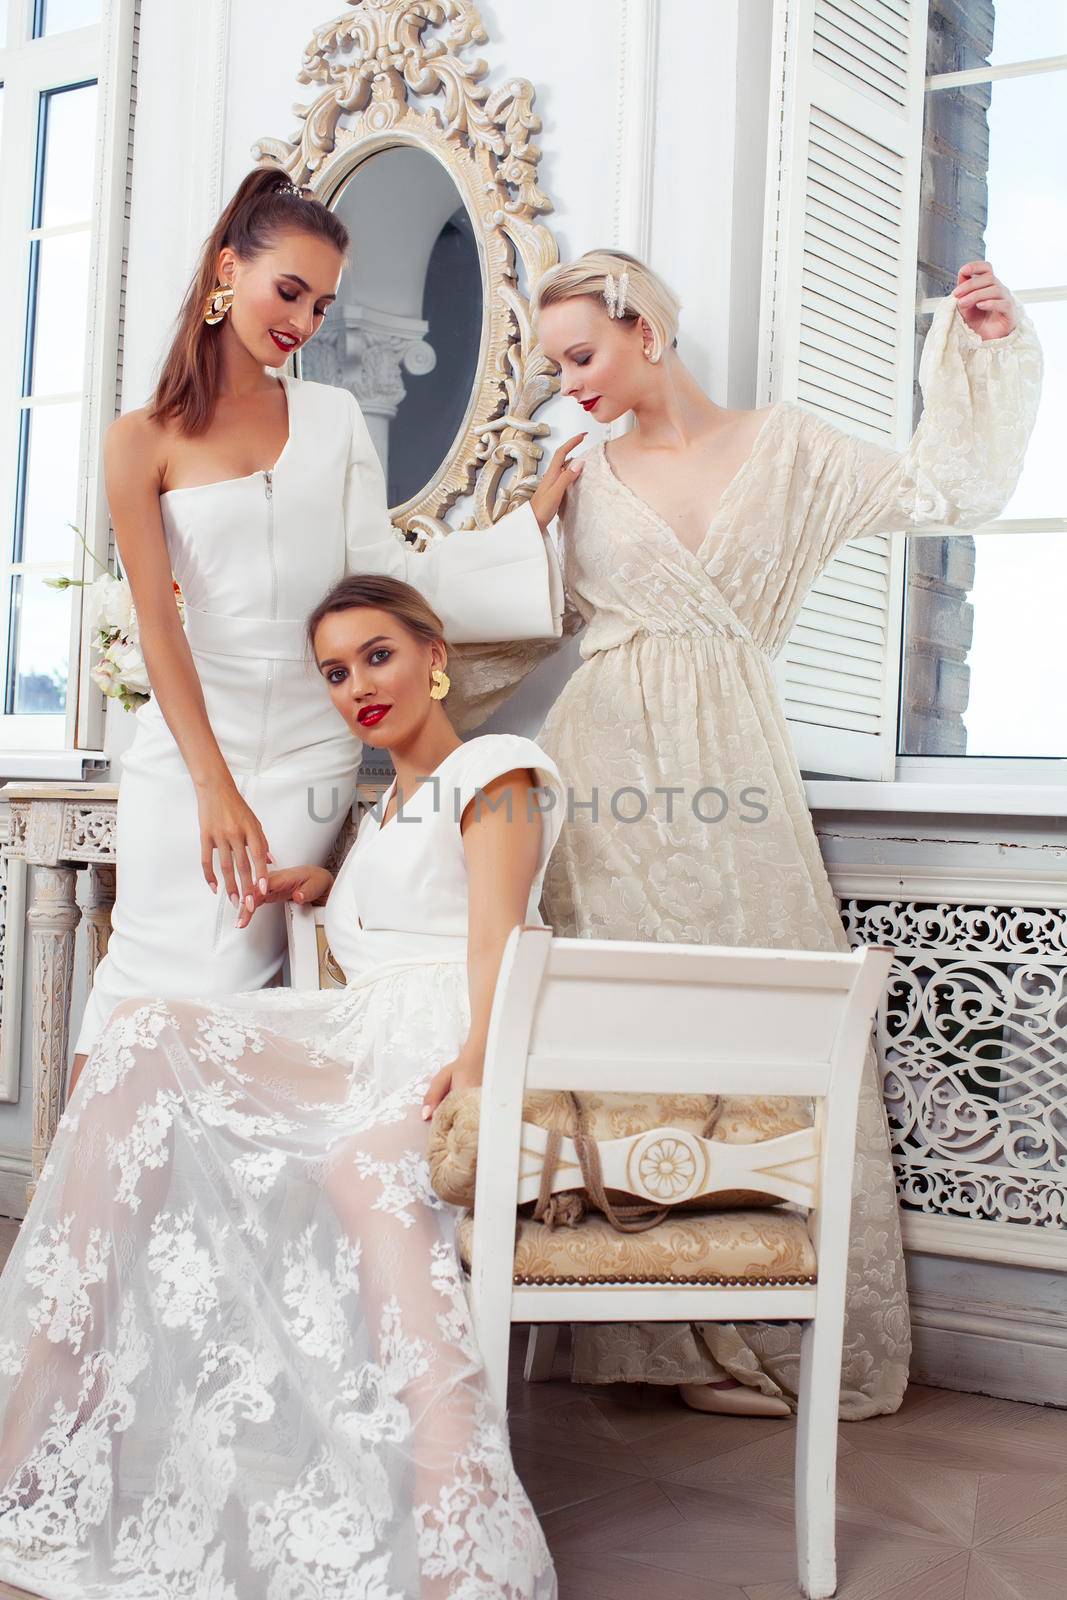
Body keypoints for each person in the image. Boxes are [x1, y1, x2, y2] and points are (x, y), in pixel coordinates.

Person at [442, 250, 1044, 1420]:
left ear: (644, 330)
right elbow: (502, 635)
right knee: (623, 1032)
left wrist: (981, 346)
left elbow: (943, 489)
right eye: (558, 365)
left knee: (762, 1017)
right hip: (604, 775)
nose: (570, 386)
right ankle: (654, 1333)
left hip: (736, 762)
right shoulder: (577, 474)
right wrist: (524, 533)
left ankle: (758, 1316)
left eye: (582, 356)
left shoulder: (790, 451)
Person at [0, 574, 563, 1599]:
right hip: (361, 1034)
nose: (357, 686)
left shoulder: (498, 768)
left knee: (364, 1167)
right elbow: (404, 900)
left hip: (451, 1037)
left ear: (435, 656)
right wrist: (324, 885)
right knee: (143, 1035)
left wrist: (479, 1067)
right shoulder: (382, 807)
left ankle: (457, 1533)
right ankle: (40, 1410)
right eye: (336, 672)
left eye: (378, 656)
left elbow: (497, 933)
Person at [69, 166, 581, 1097]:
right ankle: (99, 1211)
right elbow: (157, 625)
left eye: (322, 305)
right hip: (189, 750)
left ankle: (229, 1230)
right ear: (229, 270)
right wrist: (212, 785)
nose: (303, 323)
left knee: (242, 987)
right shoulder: (138, 439)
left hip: (309, 751)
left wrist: (525, 535)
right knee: (139, 976)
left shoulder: (334, 415)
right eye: (289, 291)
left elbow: (385, 576)